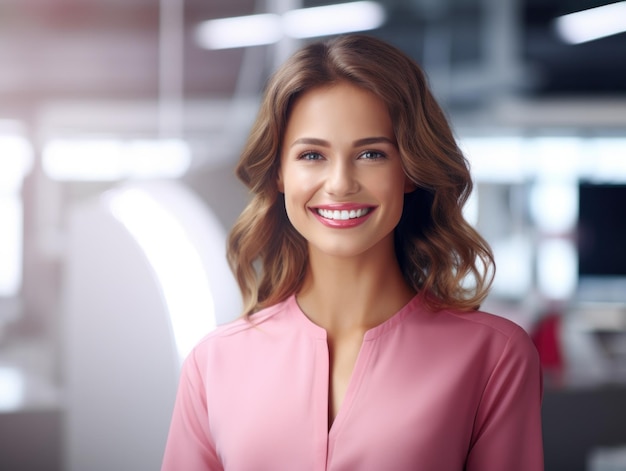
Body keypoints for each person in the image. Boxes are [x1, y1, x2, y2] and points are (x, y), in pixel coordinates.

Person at [161, 34, 544, 470]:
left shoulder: (494, 356)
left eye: (370, 153)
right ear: (279, 174)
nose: (340, 183)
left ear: (410, 171)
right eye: (312, 155)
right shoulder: (213, 363)